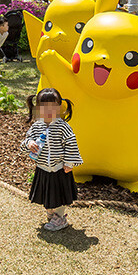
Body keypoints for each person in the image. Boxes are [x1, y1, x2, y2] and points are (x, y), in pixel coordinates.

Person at [20, 88, 83, 231]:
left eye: (52, 107)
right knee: (46, 193)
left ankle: (60, 218)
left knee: (59, 194)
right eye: (44, 107)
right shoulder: (37, 126)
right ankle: (51, 213)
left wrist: (69, 162)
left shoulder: (62, 127)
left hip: (59, 168)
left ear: (59, 107)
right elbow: (26, 142)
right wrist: (29, 144)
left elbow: (71, 144)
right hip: (43, 168)